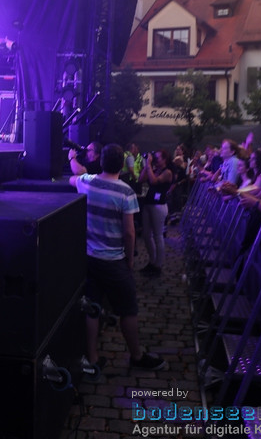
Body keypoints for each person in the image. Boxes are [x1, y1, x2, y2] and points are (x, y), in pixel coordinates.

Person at [70, 143, 167, 379]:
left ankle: (92, 359)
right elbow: (130, 233)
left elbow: (74, 177)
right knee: (128, 309)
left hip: (89, 258)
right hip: (114, 260)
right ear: (122, 165)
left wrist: (72, 157)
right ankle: (136, 356)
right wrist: (130, 261)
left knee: (92, 308)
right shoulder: (126, 192)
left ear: (101, 162)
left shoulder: (88, 182)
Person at [138, 150, 173, 277]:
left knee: (158, 236)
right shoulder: (154, 169)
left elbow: (153, 181)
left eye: (158, 158)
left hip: (159, 206)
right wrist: (146, 166)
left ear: (165, 159)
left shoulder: (167, 172)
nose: (156, 160)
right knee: (146, 235)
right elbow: (141, 179)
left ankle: (158, 265)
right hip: (148, 203)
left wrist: (148, 165)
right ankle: (152, 261)